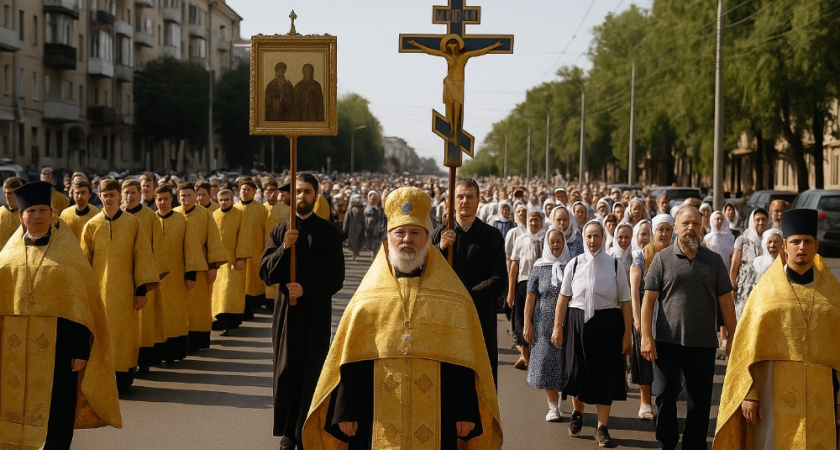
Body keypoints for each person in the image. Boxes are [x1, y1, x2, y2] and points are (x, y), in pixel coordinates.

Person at [301, 186, 502, 449]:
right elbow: (351, 359)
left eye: (415, 232)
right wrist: (345, 411)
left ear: (428, 238)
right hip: (374, 415)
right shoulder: (367, 297)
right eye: (400, 233)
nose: (407, 239)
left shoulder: (453, 298)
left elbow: (461, 358)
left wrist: (465, 411)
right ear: (389, 239)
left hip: (439, 413)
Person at [0, 181, 121, 448]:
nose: (38, 216)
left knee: (58, 407)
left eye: (44, 210)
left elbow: (81, 304)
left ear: (53, 215)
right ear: (21, 216)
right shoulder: (6, 258)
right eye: (32, 211)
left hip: (59, 349)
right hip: (14, 351)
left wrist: (80, 348)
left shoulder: (68, 255)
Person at [714, 208, 840, 449]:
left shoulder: (833, 294)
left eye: (807, 241)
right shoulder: (765, 291)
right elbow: (748, 350)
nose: (801, 247)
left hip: (820, 393)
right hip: (773, 390)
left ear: (816, 246)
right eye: (795, 242)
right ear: (785, 246)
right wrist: (750, 393)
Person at [640, 206, 737, 450]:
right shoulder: (662, 259)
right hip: (666, 342)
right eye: (686, 223)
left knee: (699, 402)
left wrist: (734, 337)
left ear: (701, 226)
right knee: (664, 396)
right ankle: (667, 442)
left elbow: (726, 301)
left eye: (695, 223)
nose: (691, 228)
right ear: (676, 227)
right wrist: (646, 337)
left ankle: (694, 445)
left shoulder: (713, 261)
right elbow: (648, 300)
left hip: (702, 343)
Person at [259, 172, 345, 449]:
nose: (301, 197)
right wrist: (285, 248)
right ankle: (287, 431)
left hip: (315, 312)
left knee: (311, 371)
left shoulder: (329, 232)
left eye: (307, 192)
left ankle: (304, 430)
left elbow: (336, 276)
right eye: (297, 192)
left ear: (316, 195)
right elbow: (266, 273)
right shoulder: (279, 230)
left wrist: (306, 289)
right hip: (286, 314)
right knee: (287, 371)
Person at [552, 220, 632, 448]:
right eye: (588, 236)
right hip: (577, 322)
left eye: (596, 236)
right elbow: (563, 298)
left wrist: (627, 333)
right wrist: (558, 327)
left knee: (604, 374)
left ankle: (602, 427)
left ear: (603, 237)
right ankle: (577, 413)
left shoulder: (615, 265)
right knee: (578, 371)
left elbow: (625, 302)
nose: (592, 240)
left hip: (607, 323)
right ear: (584, 238)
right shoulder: (574, 264)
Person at [80, 178, 160, 392]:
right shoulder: (91, 225)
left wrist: (140, 290)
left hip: (125, 292)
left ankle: (124, 378)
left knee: (124, 335)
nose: (108, 199)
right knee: (100, 337)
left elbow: (142, 257)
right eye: (105, 195)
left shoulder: (132, 224)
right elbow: (84, 263)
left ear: (119, 197)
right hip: (99, 293)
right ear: (100, 196)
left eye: (112, 195)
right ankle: (101, 381)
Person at [433, 178, 507, 384]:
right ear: (452, 200)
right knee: (448, 378)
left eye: (469, 197)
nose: (464, 201)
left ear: (478, 200)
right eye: (460, 196)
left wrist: (467, 297)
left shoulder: (491, 236)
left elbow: (499, 278)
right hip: (445, 317)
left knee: (479, 378)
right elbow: (425, 273)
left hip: (479, 315)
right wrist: (439, 249)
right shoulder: (440, 234)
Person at [407, 35, 502, 145]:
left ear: (458, 46)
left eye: (454, 45)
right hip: (449, 83)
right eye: (450, 45)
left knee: (457, 107)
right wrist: (416, 45)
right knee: (449, 106)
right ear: (447, 46)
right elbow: (430, 51)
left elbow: (481, 51)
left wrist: (494, 46)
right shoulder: (447, 56)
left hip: (459, 84)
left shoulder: (465, 56)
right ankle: (452, 130)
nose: (452, 48)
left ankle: (456, 133)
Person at [629, 214, 674, 422]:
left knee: (667, 362)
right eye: (660, 230)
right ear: (653, 232)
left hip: (669, 314)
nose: (663, 233)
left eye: (667, 229)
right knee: (645, 360)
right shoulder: (641, 255)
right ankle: (644, 402)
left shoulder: (677, 253)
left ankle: (665, 405)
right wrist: (637, 319)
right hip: (646, 313)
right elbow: (634, 290)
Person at [122, 179, 170, 373]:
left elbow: (158, 247)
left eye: (133, 192)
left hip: (144, 275)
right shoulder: (115, 217)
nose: (129, 196)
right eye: (126, 192)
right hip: (121, 277)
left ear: (139, 194)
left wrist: (151, 276)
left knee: (145, 322)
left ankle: (144, 361)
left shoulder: (150, 217)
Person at [154, 184, 205, 363]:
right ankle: (158, 353)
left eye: (166, 199)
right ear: (155, 200)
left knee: (176, 314)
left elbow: (191, 248)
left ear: (172, 199)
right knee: (159, 315)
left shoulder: (181, 220)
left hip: (178, 277)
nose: (162, 202)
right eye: (159, 199)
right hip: (157, 279)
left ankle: (174, 352)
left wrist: (191, 275)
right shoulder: (151, 220)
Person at [524, 228, 571, 422]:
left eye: (558, 241)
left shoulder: (572, 265)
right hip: (542, 324)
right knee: (546, 363)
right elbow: (530, 296)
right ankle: (553, 407)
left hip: (568, 323)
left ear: (564, 242)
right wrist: (527, 323)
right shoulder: (539, 267)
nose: (555, 245)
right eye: (551, 242)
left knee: (566, 363)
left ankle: (568, 400)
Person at [175, 182, 226, 352]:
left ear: (195, 196)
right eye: (182, 196)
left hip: (201, 267)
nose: (186, 199)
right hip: (178, 269)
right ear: (178, 197)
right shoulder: (174, 215)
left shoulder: (204, 215)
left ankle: (198, 339)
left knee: (199, 305)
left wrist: (213, 267)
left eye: (189, 195)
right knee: (180, 305)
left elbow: (213, 240)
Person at [507, 208, 545, 370]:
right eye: (531, 220)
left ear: (542, 222)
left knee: (540, 323)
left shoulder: (547, 240)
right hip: (524, 283)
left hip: (542, 286)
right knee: (521, 321)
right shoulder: (521, 240)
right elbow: (514, 265)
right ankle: (526, 356)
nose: (534, 223)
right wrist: (511, 291)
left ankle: (538, 358)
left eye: (537, 220)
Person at [211, 189, 251, 335]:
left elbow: (244, 236)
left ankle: (229, 323)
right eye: (221, 200)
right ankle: (219, 321)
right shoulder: (214, 215)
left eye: (226, 199)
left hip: (233, 261)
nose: (223, 202)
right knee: (218, 294)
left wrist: (240, 257)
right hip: (218, 261)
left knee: (229, 293)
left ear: (232, 199)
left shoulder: (240, 215)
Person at [235, 178, 269, 317]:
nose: (246, 192)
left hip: (256, 250)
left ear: (254, 192)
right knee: (239, 281)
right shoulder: (235, 209)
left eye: (249, 190)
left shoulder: (261, 209)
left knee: (253, 281)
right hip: (238, 252)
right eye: (243, 190)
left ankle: (253, 306)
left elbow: (266, 231)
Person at [730, 208, 769, 318]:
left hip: (764, 288)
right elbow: (734, 267)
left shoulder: (771, 241)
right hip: (744, 287)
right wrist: (732, 287)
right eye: (757, 220)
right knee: (742, 318)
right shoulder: (742, 240)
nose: (760, 222)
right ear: (752, 221)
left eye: (763, 219)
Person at [0, 176, 23, 244]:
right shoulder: (1, 212)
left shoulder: (28, 214)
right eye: (7, 193)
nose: (10, 196)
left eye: (14, 193)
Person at [344, 194, 366, 261]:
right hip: (355, 228)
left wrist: (344, 229)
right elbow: (346, 220)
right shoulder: (351, 210)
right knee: (356, 241)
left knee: (356, 241)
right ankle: (355, 253)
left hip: (354, 229)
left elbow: (346, 221)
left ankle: (355, 253)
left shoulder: (359, 211)